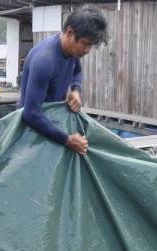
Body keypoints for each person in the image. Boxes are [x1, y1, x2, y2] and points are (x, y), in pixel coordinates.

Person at [18, 5, 108, 156]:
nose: (87, 50)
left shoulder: (72, 52)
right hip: (30, 130)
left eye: (91, 46)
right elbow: (31, 114)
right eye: (85, 44)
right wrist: (68, 140)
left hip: (53, 121)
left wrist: (76, 90)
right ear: (70, 33)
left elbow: (77, 70)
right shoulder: (45, 60)